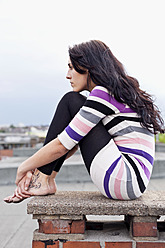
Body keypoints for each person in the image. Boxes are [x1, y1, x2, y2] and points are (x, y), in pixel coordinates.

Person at [4, 40, 164, 203]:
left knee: (70, 100)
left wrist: (24, 167)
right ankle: (45, 180)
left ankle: (43, 180)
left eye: (71, 67)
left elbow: (62, 145)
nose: (67, 75)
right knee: (74, 124)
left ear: (88, 68)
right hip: (131, 182)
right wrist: (39, 169)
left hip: (122, 179)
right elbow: (73, 142)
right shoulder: (118, 93)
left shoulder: (103, 94)